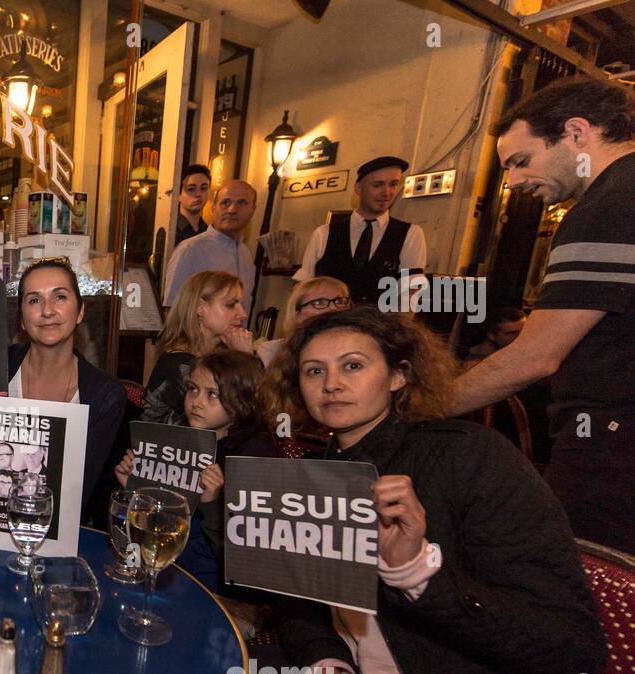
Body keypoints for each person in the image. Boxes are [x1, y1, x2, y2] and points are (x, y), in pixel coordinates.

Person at [80, 306, 631, 674]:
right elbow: (292, 604)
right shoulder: (313, 474)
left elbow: (572, 650)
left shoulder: (471, 458)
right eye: (314, 371)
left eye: (352, 366)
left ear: (399, 375)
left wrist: (417, 572)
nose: (332, 383)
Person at [448, 77, 635, 554]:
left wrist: (422, 405)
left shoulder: (608, 206)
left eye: (520, 161)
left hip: (612, 445)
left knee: (584, 595)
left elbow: (536, 358)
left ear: (576, 133)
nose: (512, 182)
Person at [114, 349, 277, 592]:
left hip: (219, 590)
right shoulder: (178, 439)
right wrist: (135, 488)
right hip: (167, 569)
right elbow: (160, 525)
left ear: (243, 400)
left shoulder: (256, 458)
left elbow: (250, 560)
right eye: (192, 389)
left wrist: (212, 505)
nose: (197, 402)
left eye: (213, 394)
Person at [9, 258, 126, 515]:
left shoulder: (105, 395)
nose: (47, 310)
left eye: (60, 297)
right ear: (21, 318)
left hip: (60, 534)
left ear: (81, 311)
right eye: (34, 300)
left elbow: (81, 494)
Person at [294, 156, 427, 307]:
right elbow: (302, 291)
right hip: (327, 326)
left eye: (393, 184)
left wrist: (398, 330)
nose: (387, 192)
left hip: (376, 327)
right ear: (358, 188)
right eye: (378, 185)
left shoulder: (410, 234)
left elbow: (410, 295)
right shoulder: (324, 233)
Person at [142, 270, 252, 425]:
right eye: (231, 305)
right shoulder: (181, 364)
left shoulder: (214, 355)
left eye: (241, 304)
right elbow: (241, 414)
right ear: (201, 309)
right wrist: (246, 360)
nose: (243, 314)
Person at [162, 180, 258, 312]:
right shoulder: (190, 250)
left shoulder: (246, 255)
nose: (232, 209)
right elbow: (172, 310)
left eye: (241, 203)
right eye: (226, 202)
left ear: (253, 210)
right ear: (213, 208)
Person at [254, 275, 351, 368]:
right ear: (297, 314)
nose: (333, 308)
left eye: (339, 301)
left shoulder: (357, 351)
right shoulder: (272, 352)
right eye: (319, 302)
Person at [175, 163, 211, 247]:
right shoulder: (171, 231)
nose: (198, 194)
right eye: (191, 189)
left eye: (203, 188)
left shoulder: (208, 232)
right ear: (178, 195)